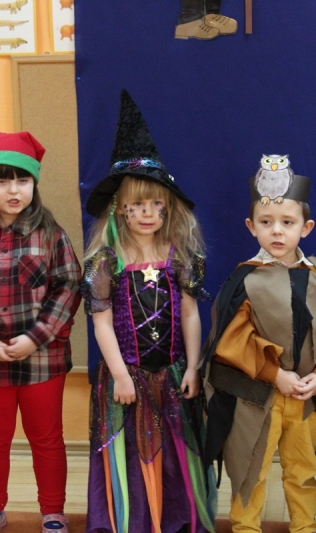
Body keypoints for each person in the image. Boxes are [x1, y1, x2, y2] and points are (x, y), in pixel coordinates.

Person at [82, 90, 215, 533]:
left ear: (167, 206)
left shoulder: (181, 255)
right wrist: (120, 376)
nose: (147, 213)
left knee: (176, 453)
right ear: (119, 207)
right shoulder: (106, 261)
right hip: (127, 378)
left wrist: (193, 366)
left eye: (156, 204)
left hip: (173, 375)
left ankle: (175, 522)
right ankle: (135, 523)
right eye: (137, 204)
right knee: (133, 454)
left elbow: (191, 314)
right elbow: (101, 324)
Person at [202, 160, 316, 533]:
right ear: (251, 226)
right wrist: (276, 374)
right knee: (249, 469)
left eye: (288, 222)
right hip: (257, 397)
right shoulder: (244, 279)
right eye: (266, 222)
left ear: (306, 227)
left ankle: (305, 527)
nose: (277, 231)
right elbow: (233, 339)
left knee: (303, 470)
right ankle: (246, 527)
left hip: (305, 398)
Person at [0, 131, 82, 533]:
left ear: (34, 184)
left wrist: (35, 338)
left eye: (22, 181)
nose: (13, 190)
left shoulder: (51, 233)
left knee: (47, 437)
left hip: (42, 360)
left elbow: (68, 286)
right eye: (2, 181)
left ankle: (53, 511)